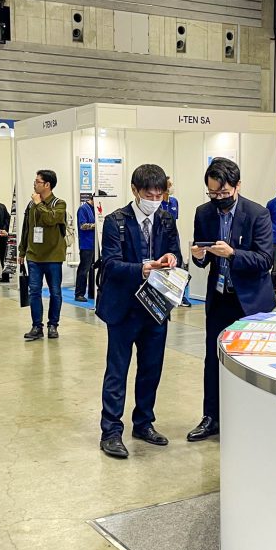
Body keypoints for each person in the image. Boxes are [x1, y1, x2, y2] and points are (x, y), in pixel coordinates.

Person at [96, 164, 182, 458]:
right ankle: (111, 431)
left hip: (156, 306)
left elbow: (177, 254)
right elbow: (109, 263)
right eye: (149, 193)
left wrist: (171, 258)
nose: (155, 198)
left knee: (151, 370)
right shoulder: (115, 221)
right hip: (123, 308)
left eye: (160, 193)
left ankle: (143, 423)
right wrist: (141, 269)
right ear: (135, 190)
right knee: (117, 371)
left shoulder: (167, 220)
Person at [188, 158, 275, 441]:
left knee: (251, 362)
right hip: (219, 298)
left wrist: (233, 254)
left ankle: (253, 418)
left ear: (237, 186)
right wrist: (197, 257)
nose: (218, 199)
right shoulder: (204, 213)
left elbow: (265, 260)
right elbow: (201, 253)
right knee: (213, 361)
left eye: (224, 194)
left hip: (250, 302)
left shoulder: (257, 214)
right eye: (213, 194)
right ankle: (211, 417)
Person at [17, 169, 67, 341]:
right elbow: (26, 228)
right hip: (34, 257)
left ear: (47, 185)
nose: (34, 183)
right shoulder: (31, 205)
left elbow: (51, 219)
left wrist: (39, 204)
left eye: (38, 181)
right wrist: (22, 251)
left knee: (55, 292)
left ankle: (53, 325)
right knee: (34, 292)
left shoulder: (60, 204)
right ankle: (36, 326)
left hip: (53, 257)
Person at [162, 177, 191, 307]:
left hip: (173, 236)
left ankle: (181, 296)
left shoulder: (174, 202)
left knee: (179, 265)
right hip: (161, 237)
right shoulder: (157, 202)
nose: (171, 187)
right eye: (169, 185)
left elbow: (175, 221)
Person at [74, 192, 95, 301]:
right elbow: (82, 225)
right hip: (86, 244)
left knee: (93, 269)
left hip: (96, 244)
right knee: (84, 269)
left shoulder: (96, 208)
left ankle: (92, 292)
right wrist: (96, 225)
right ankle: (79, 293)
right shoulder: (83, 209)